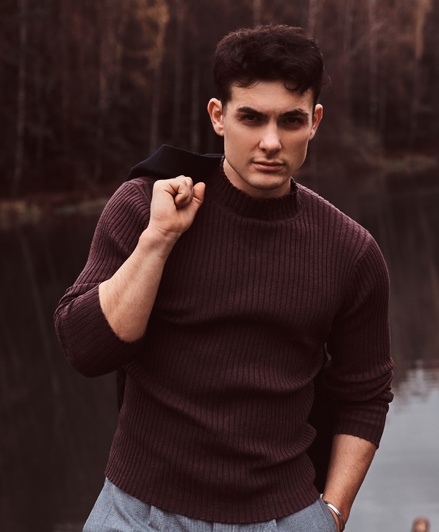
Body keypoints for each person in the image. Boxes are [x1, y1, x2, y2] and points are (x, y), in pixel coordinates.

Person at [55, 25, 394, 531]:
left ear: (315, 122)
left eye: (291, 120)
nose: (271, 142)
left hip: (281, 517)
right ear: (218, 116)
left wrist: (332, 514)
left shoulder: (351, 252)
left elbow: (365, 395)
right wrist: (158, 241)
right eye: (251, 117)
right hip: (137, 514)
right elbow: (86, 351)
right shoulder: (147, 207)